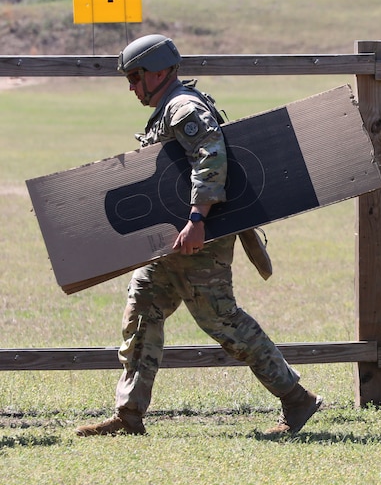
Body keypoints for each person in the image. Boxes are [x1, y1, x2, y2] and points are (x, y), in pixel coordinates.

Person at [76, 34, 322, 437]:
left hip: (198, 235)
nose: (133, 87)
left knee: (221, 320)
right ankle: (129, 415)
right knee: (143, 307)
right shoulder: (169, 107)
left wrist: (197, 218)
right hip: (174, 238)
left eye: (136, 78)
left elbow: (211, 155)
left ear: (159, 72)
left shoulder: (183, 107)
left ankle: (296, 399)